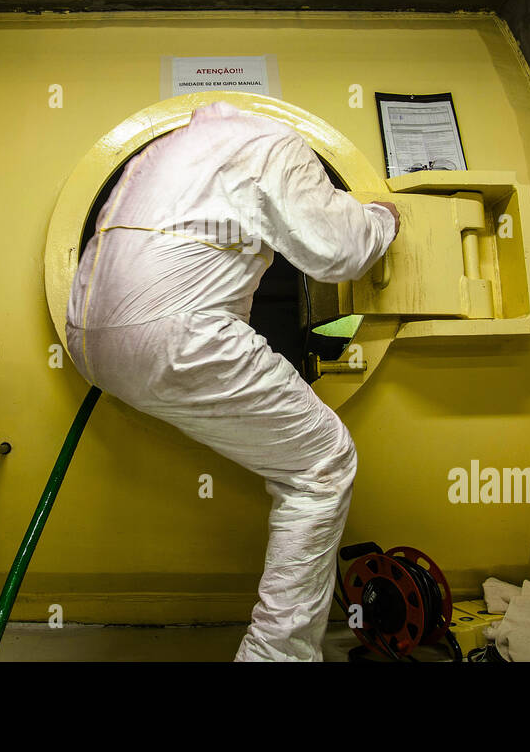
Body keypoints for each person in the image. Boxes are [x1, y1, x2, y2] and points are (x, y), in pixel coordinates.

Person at [65, 100, 400, 661]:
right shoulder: (278, 144)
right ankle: (276, 657)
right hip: (174, 338)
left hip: (86, 341)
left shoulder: (162, 152)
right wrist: (384, 218)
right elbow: (336, 250)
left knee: (293, 454)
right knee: (321, 465)